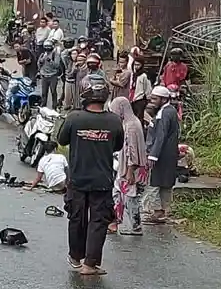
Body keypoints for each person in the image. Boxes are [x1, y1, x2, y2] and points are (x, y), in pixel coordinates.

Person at [57, 79, 123, 276]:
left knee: (76, 217)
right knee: (98, 221)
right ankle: (90, 264)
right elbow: (118, 146)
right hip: (102, 180)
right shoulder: (114, 120)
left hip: (77, 179)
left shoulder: (74, 118)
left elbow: (61, 140)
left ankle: (75, 257)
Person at [110, 96, 147, 235]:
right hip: (129, 168)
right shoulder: (132, 122)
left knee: (130, 197)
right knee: (120, 194)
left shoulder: (131, 126)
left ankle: (135, 226)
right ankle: (115, 222)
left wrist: (130, 171)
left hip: (130, 169)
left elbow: (132, 150)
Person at [144, 85, 180, 224]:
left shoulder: (165, 113)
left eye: (155, 98)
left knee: (155, 182)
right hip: (168, 152)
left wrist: (153, 155)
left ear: (164, 99)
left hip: (162, 153)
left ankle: (157, 211)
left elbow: (161, 135)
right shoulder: (170, 111)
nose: (152, 100)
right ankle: (163, 210)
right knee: (165, 182)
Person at [37, 41, 62, 109]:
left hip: (53, 75)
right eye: (46, 48)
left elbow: (56, 65)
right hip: (44, 76)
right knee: (44, 93)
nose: (47, 50)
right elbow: (38, 65)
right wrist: (40, 62)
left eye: (49, 48)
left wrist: (50, 61)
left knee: (53, 91)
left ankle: (54, 107)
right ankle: (43, 107)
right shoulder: (42, 54)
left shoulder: (55, 54)